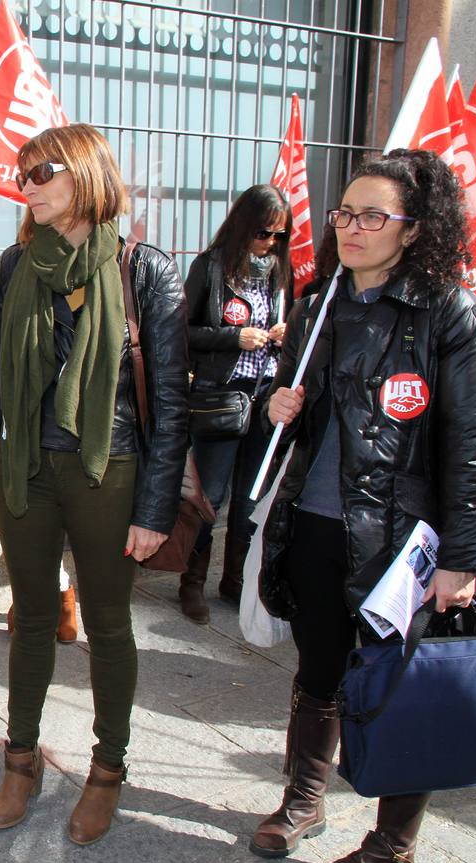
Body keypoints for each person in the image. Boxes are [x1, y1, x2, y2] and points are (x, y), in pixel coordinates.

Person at [252, 149, 476, 863]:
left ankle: (392, 849)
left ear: (414, 228)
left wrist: (464, 559)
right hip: (315, 521)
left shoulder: (448, 313)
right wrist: (277, 405)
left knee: (400, 687)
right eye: (344, 213)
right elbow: (296, 405)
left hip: (402, 542)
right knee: (318, 670)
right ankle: (303, 799)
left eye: (372, 216)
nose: (351, 228)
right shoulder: (319, 303)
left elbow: (473, 446)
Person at [0, 124, 189, 843]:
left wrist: (155, 507)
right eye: (22, 174)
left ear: (86, 175)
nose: (27, 186)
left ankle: (107, 769)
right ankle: (20, 760)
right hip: (24, 468)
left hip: (110, 467)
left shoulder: (143, 270)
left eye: (43, 172)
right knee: (32, 617)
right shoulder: (13, 266)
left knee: (108, 623)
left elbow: (172, 404)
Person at [177, 185, 293, 623]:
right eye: (264, 233)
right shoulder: (211, 267)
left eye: (280, 235)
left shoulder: (279, 271)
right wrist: (233, 337)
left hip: (267, 397)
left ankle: (236, 579)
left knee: (252, 496)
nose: (271, 243)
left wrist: (286, 332)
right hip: (221, 396)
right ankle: (192, 582)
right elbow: (180, 332)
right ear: (244, 226)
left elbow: (291, 324)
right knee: (210, 496)